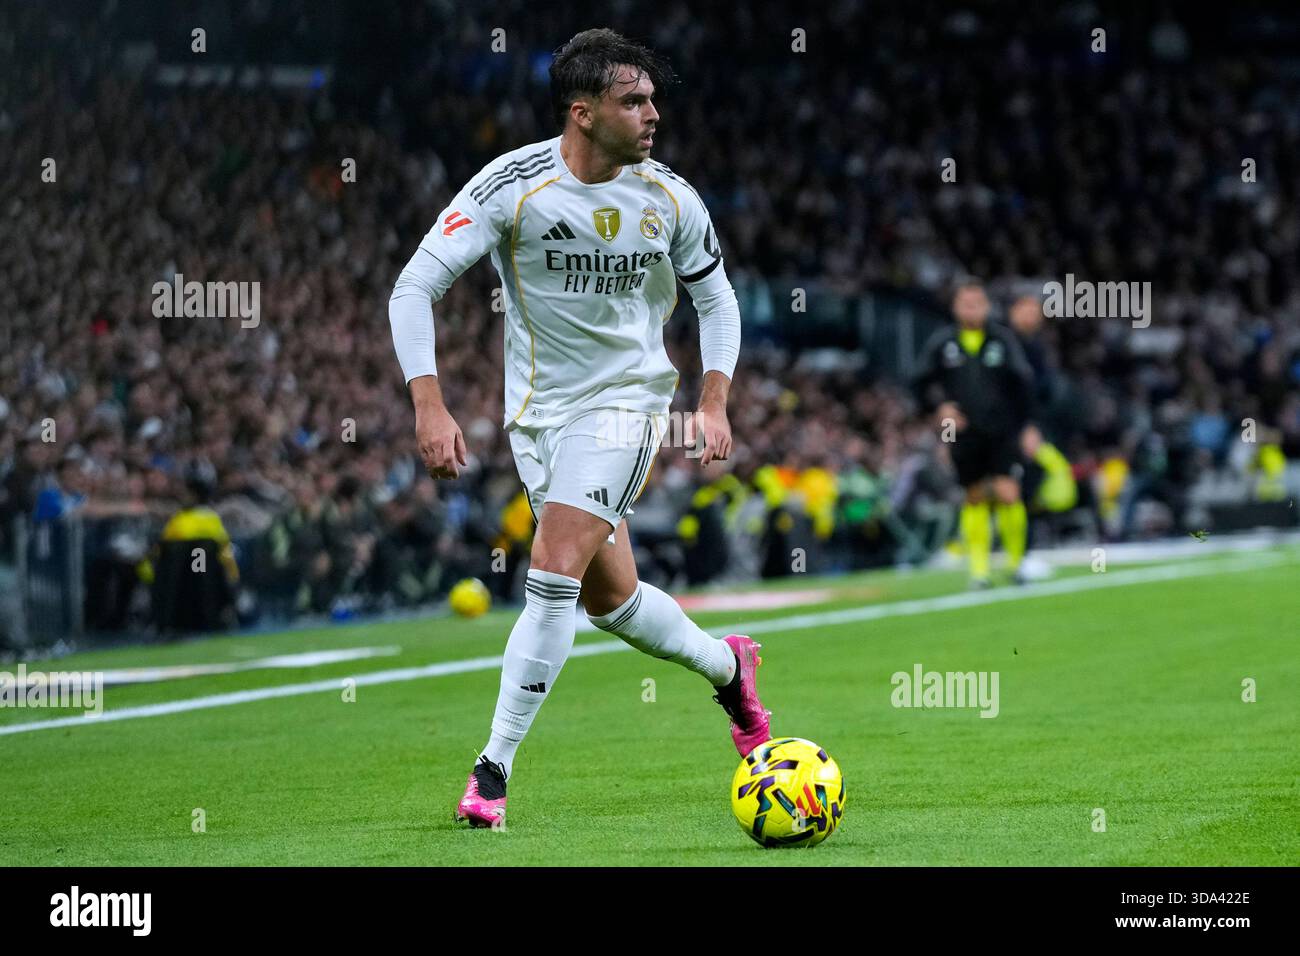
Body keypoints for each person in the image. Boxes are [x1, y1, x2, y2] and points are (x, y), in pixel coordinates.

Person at [388, 28, 769, 828]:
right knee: (610, 600)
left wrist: (713, 399)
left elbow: (717, 300)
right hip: (538, 418)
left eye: (653, 99)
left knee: (553, 565)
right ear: (582, 111)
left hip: (629, 405)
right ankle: (728, 668)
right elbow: (414, 288)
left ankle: (491, 773)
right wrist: (428, 402)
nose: (653, 114)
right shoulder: (513, 186)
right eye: (634, 101)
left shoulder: (671, 198)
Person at [913, 279, 1036, 587]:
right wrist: (939, 409)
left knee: (1008, 491)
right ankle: (979, 571)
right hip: (962, 432)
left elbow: (1024, 384)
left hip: (1003, 430)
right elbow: (918, 383)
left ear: (986, 306)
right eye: (966, 304)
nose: (972, 309)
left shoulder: (1002, 340)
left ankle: (1016, 564)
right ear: (955, 307)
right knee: (975, 496)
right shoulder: (942, 343)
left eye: (977, 304)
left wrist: (1029, 426)